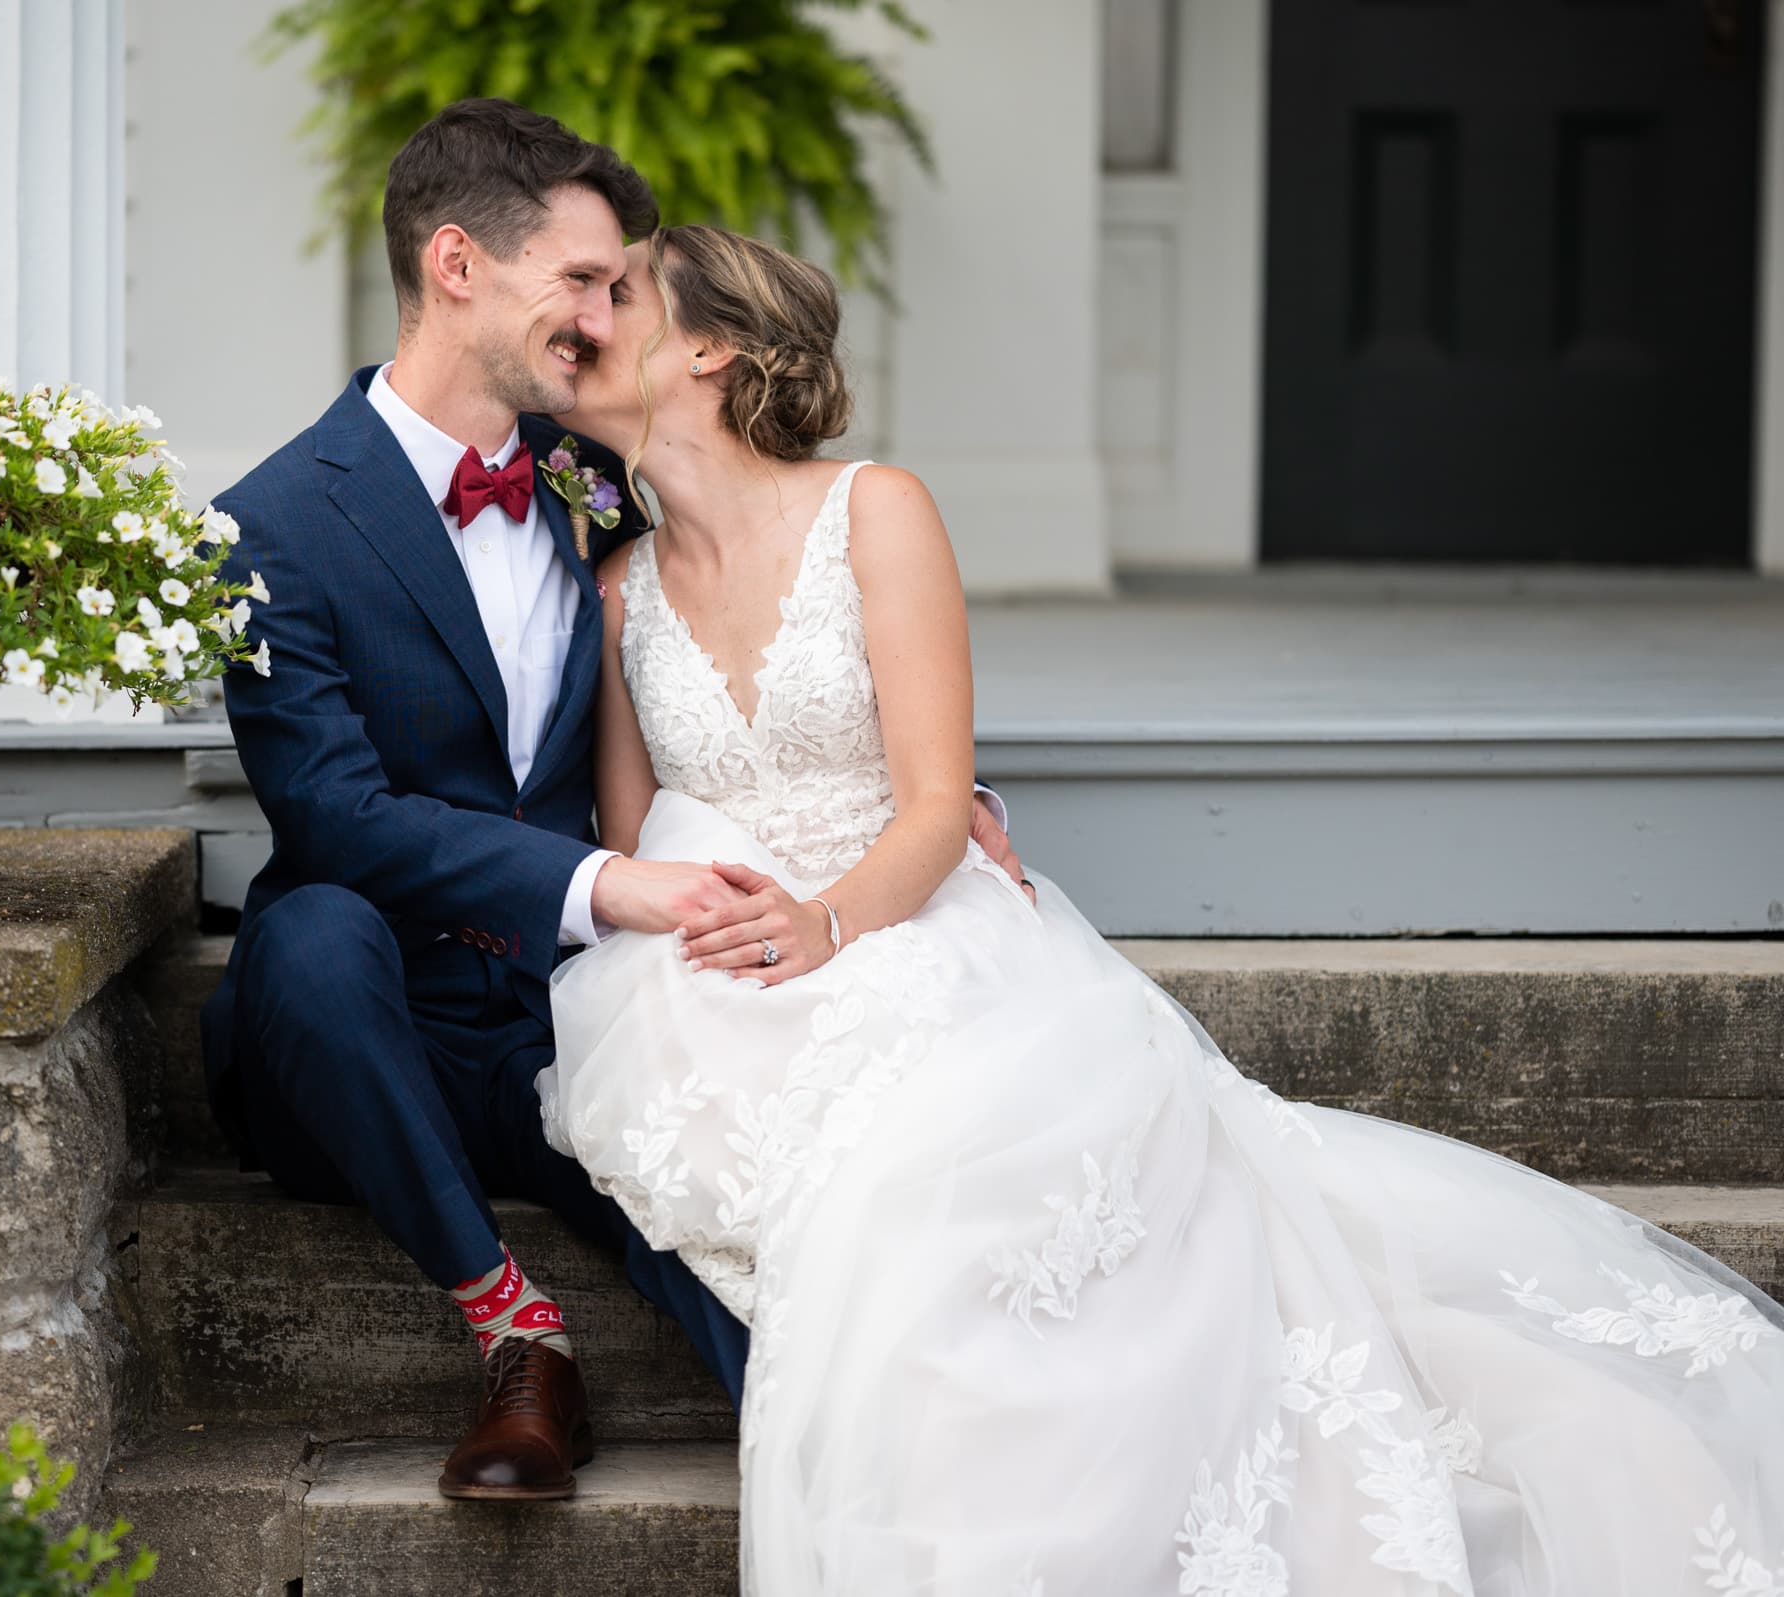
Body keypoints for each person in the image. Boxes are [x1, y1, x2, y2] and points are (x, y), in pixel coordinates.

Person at [534, 220, 1784, 1593]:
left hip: (905, 924)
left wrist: (827, 921)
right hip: (741, 967)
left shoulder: (875, 509)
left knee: (950, 1176)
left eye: (617, 294)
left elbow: (938, 806)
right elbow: (631, 836)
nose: (583, 317)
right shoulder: (615, 593)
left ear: (707, 346)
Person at [201, 98, 1026, 1504]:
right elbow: (332, 812)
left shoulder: (595, 485)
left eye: (616, 288)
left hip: (550, 1013)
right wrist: (603, 886)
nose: (600, 314)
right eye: (580, 279)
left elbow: (753, 618)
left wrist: (934, 796)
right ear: (457, 265)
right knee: (317, 929)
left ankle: (868, 1452)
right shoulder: (268, 523)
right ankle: (518, 1339)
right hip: (360, 1022)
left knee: (694, 1171)